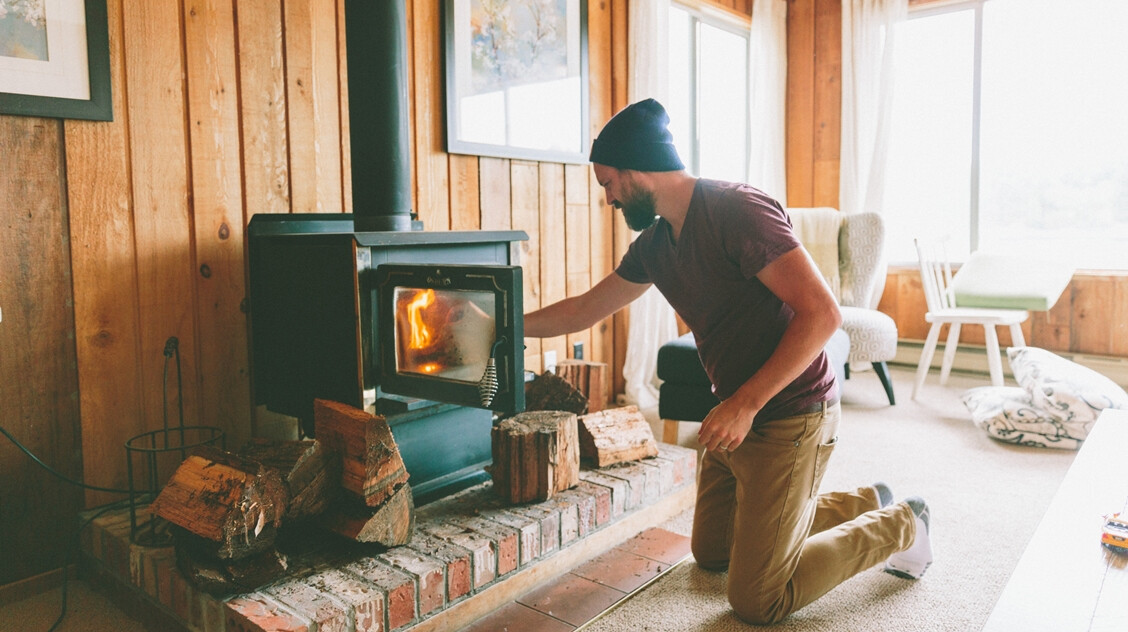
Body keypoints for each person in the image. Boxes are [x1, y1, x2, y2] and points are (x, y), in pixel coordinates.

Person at [523, 98, 933, 624]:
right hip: (734, 419)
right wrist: (508, 324)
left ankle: (903, 521)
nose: (608, 199)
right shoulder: (655, 245)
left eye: (609, 184)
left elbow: (823, 314)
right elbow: (585, 308)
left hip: (790, 411)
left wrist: (744, 404)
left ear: (637, 169)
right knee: (713, 553)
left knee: (759, 599)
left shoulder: (736, 210)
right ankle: (865, 500)